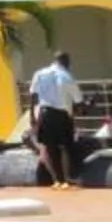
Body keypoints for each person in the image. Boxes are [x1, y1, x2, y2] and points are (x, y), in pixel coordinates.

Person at [28, 49, 82, 187]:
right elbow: (78, 100)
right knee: (65, 147)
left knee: (50, 148)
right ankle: (67, 178)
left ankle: (58, 180)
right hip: (62, 115)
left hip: (44, 114)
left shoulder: (39, 73)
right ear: (66, 62)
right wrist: (82, 107)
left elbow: (33, 95)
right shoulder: (66, 76)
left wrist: (32, 116)